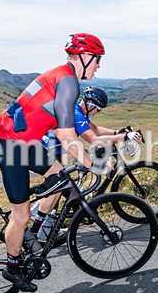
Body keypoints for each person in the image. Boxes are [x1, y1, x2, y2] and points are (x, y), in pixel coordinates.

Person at [0, 33, 105, 292]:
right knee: (19, 215)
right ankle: (12, 267)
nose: (99, 66)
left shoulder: (63, 76)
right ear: (85, 57)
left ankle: (37, 234)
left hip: (26, 142)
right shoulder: (67, 81)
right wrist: (89, 162)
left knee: (61, 179)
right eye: (97, 60)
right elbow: (66, 135)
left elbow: (69, 127)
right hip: (11, 146)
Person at [34, 86, 142, 240]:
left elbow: (97, 130)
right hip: (41, 150)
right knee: (59, 184)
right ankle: (39, 224)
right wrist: (124, 138)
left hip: (53, 149)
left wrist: (118, 132)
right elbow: (94, 139)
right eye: (98, 110)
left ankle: (45, 224)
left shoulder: (79, 111)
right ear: (90, 104)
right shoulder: (76, 114)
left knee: (59, 185)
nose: (98, 112)